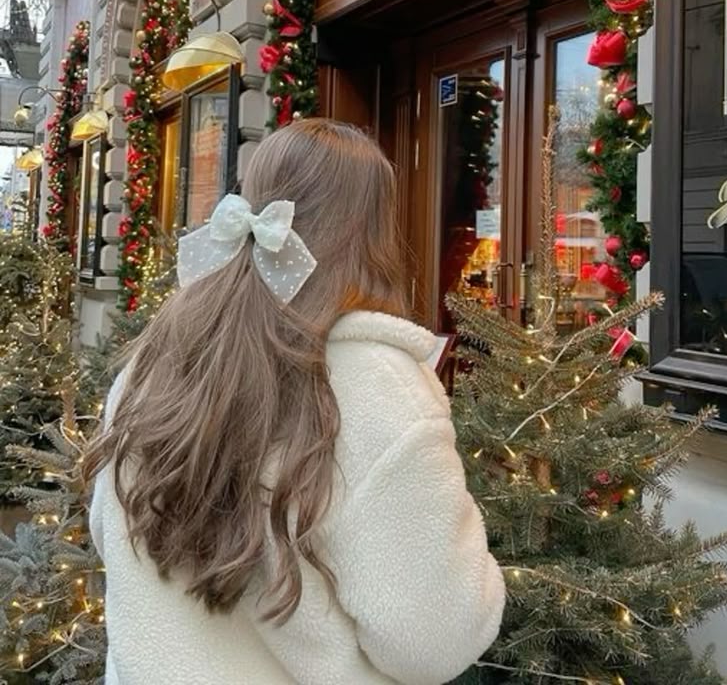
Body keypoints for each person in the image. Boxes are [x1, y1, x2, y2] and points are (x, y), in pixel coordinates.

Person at [85, 118, 505, 685]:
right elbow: (434, 641)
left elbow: (110, 528)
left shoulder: (155, 361)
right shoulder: (379, 389)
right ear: (374, 231)